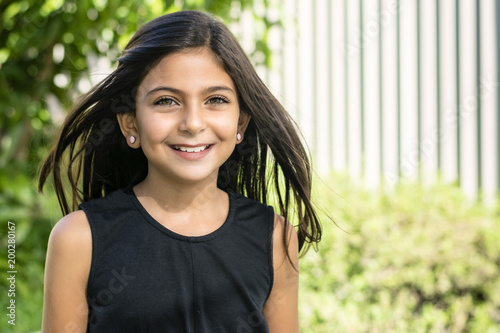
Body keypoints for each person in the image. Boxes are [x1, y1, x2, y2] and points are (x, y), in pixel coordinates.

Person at [38, 10, 321, 333]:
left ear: (240, 122)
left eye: (215, 99)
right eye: (166, 101)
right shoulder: (78, 239)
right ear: (130, 122)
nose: (193, 123)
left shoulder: (274, 238)